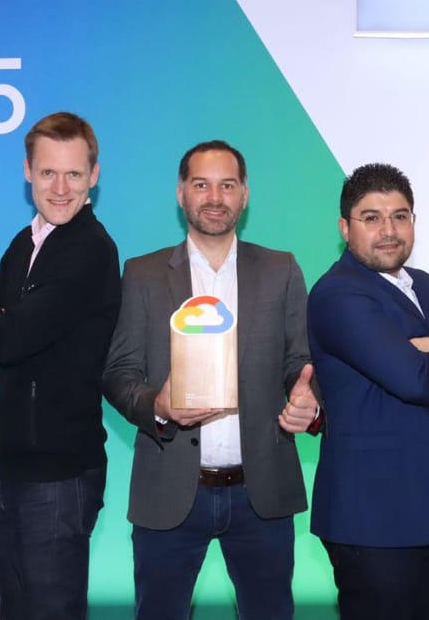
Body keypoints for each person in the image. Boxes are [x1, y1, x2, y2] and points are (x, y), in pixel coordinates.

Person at [102, 139, 319, 620]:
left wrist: (308, 400)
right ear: (181, 193)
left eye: (227, 185)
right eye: (201, 185)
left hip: (262, 494)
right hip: (169, 491)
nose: (215, 197)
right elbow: (118, 373)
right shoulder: (143, 274)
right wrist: (157, 406)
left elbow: (301, 362)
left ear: (245, 194)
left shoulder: (281, 269)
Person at [307, 162, 429, 620]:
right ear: (345, 228)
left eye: (400, 216)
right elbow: (412, 379)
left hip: (427, 508)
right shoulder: (339, 294)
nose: (389, 230)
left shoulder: (422, 285)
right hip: (374, 516)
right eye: (371, 218)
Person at [0, 111, 121, 620]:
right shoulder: (24, 242)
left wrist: (0, 324)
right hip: (13, 468)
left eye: (74, 174)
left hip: (59, 475)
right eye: (48, 172)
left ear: (93, 176)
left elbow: (7, 337)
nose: (60, 188)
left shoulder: (90, 250)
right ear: (28, 171)